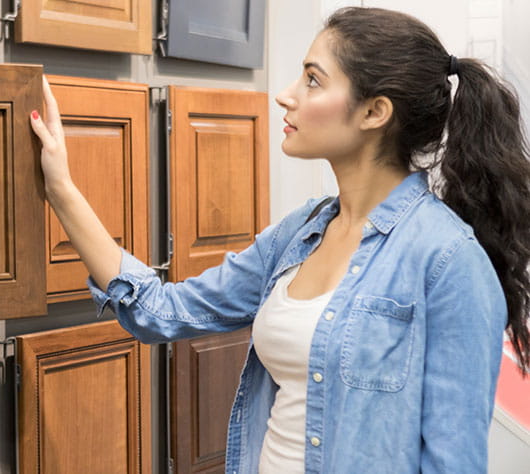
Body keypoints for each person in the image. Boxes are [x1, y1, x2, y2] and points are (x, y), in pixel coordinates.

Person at [29, 6, 530, 474]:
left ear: (374, 112)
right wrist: (61, 189)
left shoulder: (449, 262)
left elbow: (453, 463)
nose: (286, 94)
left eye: (313, 80)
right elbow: (162, 310)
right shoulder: (299, 234)